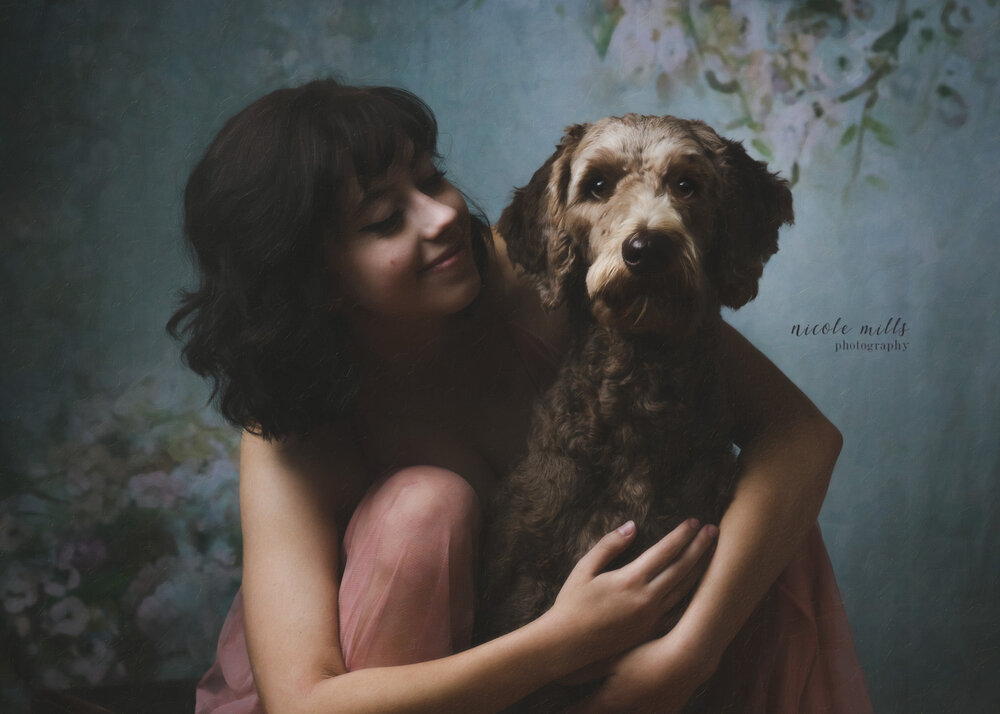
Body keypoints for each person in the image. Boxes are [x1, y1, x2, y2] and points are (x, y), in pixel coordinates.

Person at [169, 79, 871, 713]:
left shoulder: (538, 275)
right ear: (314, 280)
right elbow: (308, 703)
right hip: (407, 689)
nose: (442, 217)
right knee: (422, 507)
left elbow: (799, 435)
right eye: (386, 219)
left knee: (760, 515)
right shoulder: (287, 433)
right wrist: (561, 641)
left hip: (621, 657)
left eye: (431, 180)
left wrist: (682, 657)